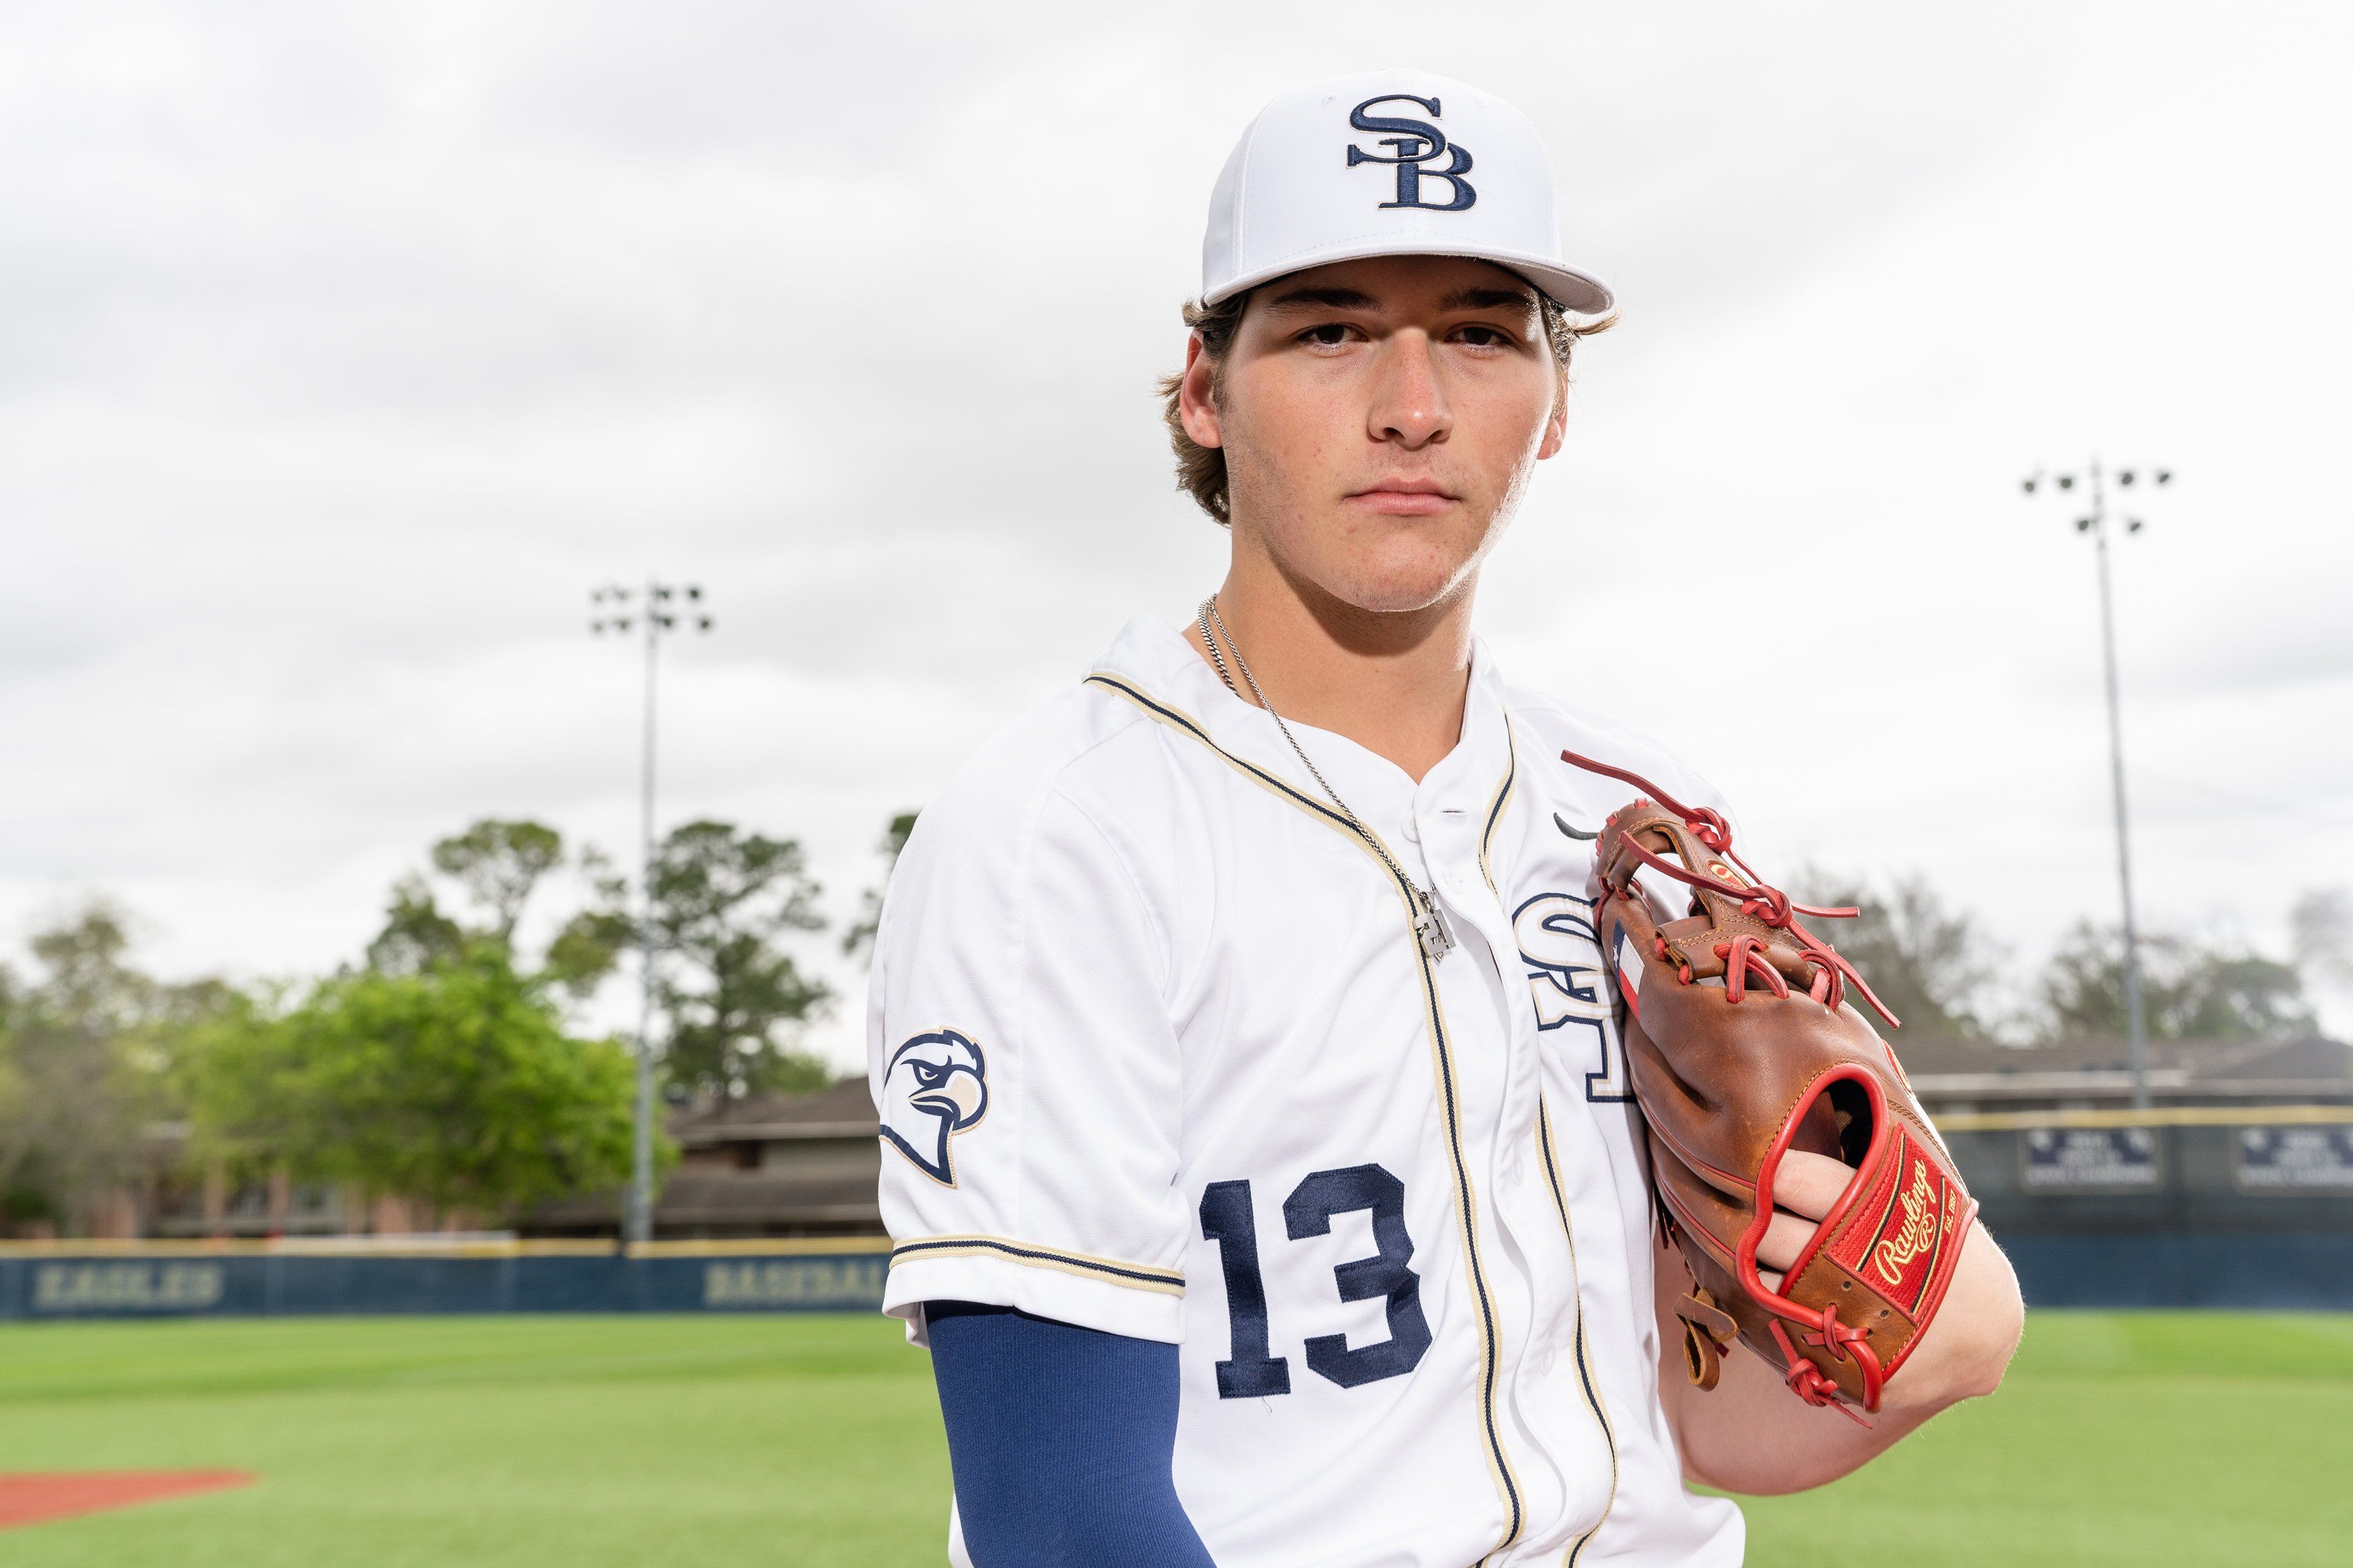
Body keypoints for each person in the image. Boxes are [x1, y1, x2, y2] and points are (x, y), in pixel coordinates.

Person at [867, 68, 2026, 1567]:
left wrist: (1945, 1333)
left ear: (1556, 405)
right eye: (1331, 329)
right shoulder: (1063, 836)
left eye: (1480, 334)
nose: (1412, 408)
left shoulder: (1631, 816)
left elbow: (1699, 1429)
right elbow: (1063, 1518)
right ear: (1205, 390)